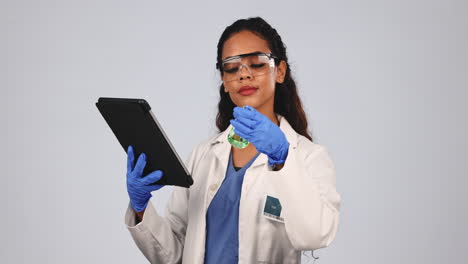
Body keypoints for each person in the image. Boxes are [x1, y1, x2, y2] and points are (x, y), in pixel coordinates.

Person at [124, 17, 341, 264]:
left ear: (279, 71)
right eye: (232, 67)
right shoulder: (203, 155)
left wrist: (283, 160)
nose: (244, 75)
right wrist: (140, 207)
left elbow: (314, 236)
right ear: (224, 81)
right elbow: (172, 255)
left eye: (257, 63)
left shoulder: (308, 156)